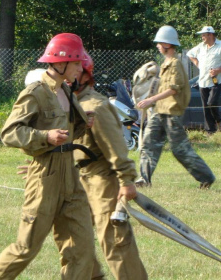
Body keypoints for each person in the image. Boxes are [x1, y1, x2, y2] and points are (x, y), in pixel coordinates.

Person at [0, 33, 96, 280]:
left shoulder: (67, 91)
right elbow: (10, 132)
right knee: (26, 247)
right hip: (45, 177)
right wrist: (44, 136)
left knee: (82, 249)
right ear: (60, 62)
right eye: (77, 63)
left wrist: (83, 124)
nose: (81, 68)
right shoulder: (36, 92)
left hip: (71, 176)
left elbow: (67, 134)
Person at [72, 50, 147, 280]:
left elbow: (116, 148)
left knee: (115, 242)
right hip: (78, 180)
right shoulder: (71, 103)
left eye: (74, 69)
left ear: (85, 75)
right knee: (75, 238)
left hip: (102, 179)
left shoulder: (96, 105)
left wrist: (126, 181)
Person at [135, 25, 216, 189]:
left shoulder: (175, 64)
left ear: (167, 44)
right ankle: (144, 179)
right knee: (148, 144)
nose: (157, 46)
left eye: (159, 43)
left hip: (172, 112)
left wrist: (151, 100)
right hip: (160, 111)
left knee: (180, 150)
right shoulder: (165, 64)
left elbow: (173, 89)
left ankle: (206, 177)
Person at [186, 26, 221, 135]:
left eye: (204, 35)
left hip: (217, 81)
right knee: (205, 107)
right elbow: (189, 54)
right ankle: (210, 131)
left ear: (210, 35)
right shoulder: (200, 47)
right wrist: (198, 64)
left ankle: (218, 121)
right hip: (203, 81)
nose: (202, 37)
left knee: (211, 102)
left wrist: (219, 70)